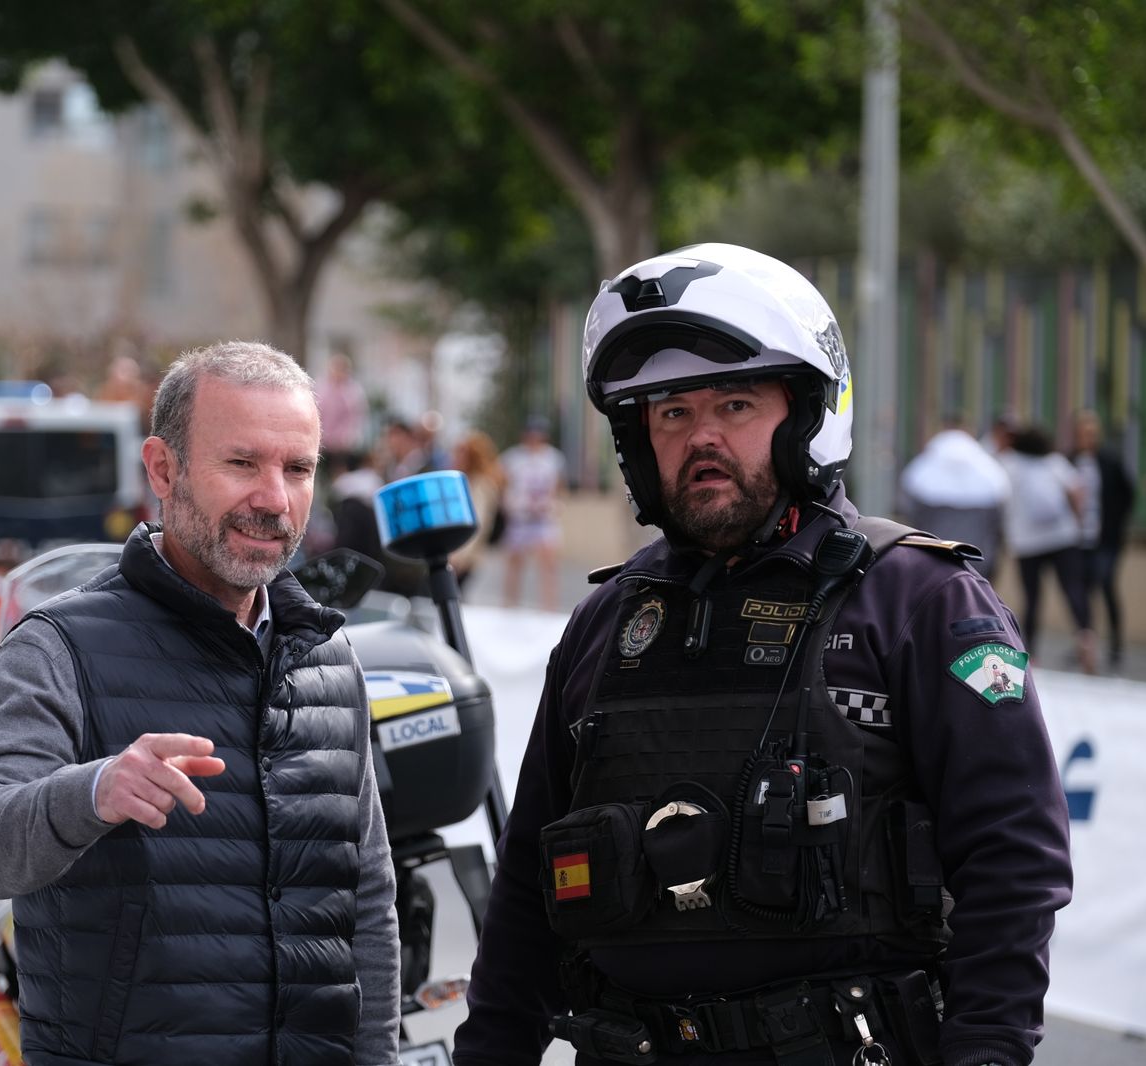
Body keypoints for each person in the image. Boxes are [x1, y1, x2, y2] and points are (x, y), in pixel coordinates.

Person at [453, 244, 1071, 1066]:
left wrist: (987, 1052)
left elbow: (1013, 860)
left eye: (736, 405)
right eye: (671, 414)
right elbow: (529, 888)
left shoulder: (922, 600)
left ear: (807, 416)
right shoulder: (604, 624)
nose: (701, 437)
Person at [0, 341, 400, 1066]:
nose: (274, 499)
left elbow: (366, 904)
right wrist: (93, 790)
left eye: (298, 469)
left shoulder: (327, 656)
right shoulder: (59, 646)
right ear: (162, 468)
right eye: (242, 463)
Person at [998, 424, 1096, 674]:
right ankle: (1085, 636)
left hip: (1026, 540)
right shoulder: (1055, 461)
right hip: (1062, 537)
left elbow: (997, 494)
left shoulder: (1009, 463)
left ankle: (1031, 653)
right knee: (1073, 588)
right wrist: (1077, 522)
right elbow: (1077, 491)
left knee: (1031, 597)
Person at [897, 415, 1010, 581]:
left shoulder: (924, 468)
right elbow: (998, 517)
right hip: (977, 555)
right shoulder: (987, 469)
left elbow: (910, 510)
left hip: (934, 554)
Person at [1069, 410, 1135, 667]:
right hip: (1078, 540)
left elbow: (1127, 495)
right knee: (1081, 593)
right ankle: (1085, 646)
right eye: (1084, 433)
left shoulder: (1110, 461)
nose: (1088, 438)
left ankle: (1116, 645)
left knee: (1106, 584)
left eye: (1092, 434)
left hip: (1106, 540)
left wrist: (1115, 525)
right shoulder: (1069, 461)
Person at [499, 416, 567, 611]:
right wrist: (507, 503)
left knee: (549, 564)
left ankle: (549, 608)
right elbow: (501, 482)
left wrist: (555, 503)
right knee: (514, 563)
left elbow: (558, 485)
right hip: (520, 518)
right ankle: (509, 605)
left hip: (544, 519)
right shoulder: (513, 457)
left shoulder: (553, 458)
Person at [449, 428, 506, 587]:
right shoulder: (465, 481)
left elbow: (478, 524)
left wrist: (460, 556)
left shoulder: (481, 486)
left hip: (462, 557)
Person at [315, 353, 370, 460]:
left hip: (344, 445)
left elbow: (356, 417)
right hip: (323, 441)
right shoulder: (322, 388)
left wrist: (350, 438)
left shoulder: (353, 391)